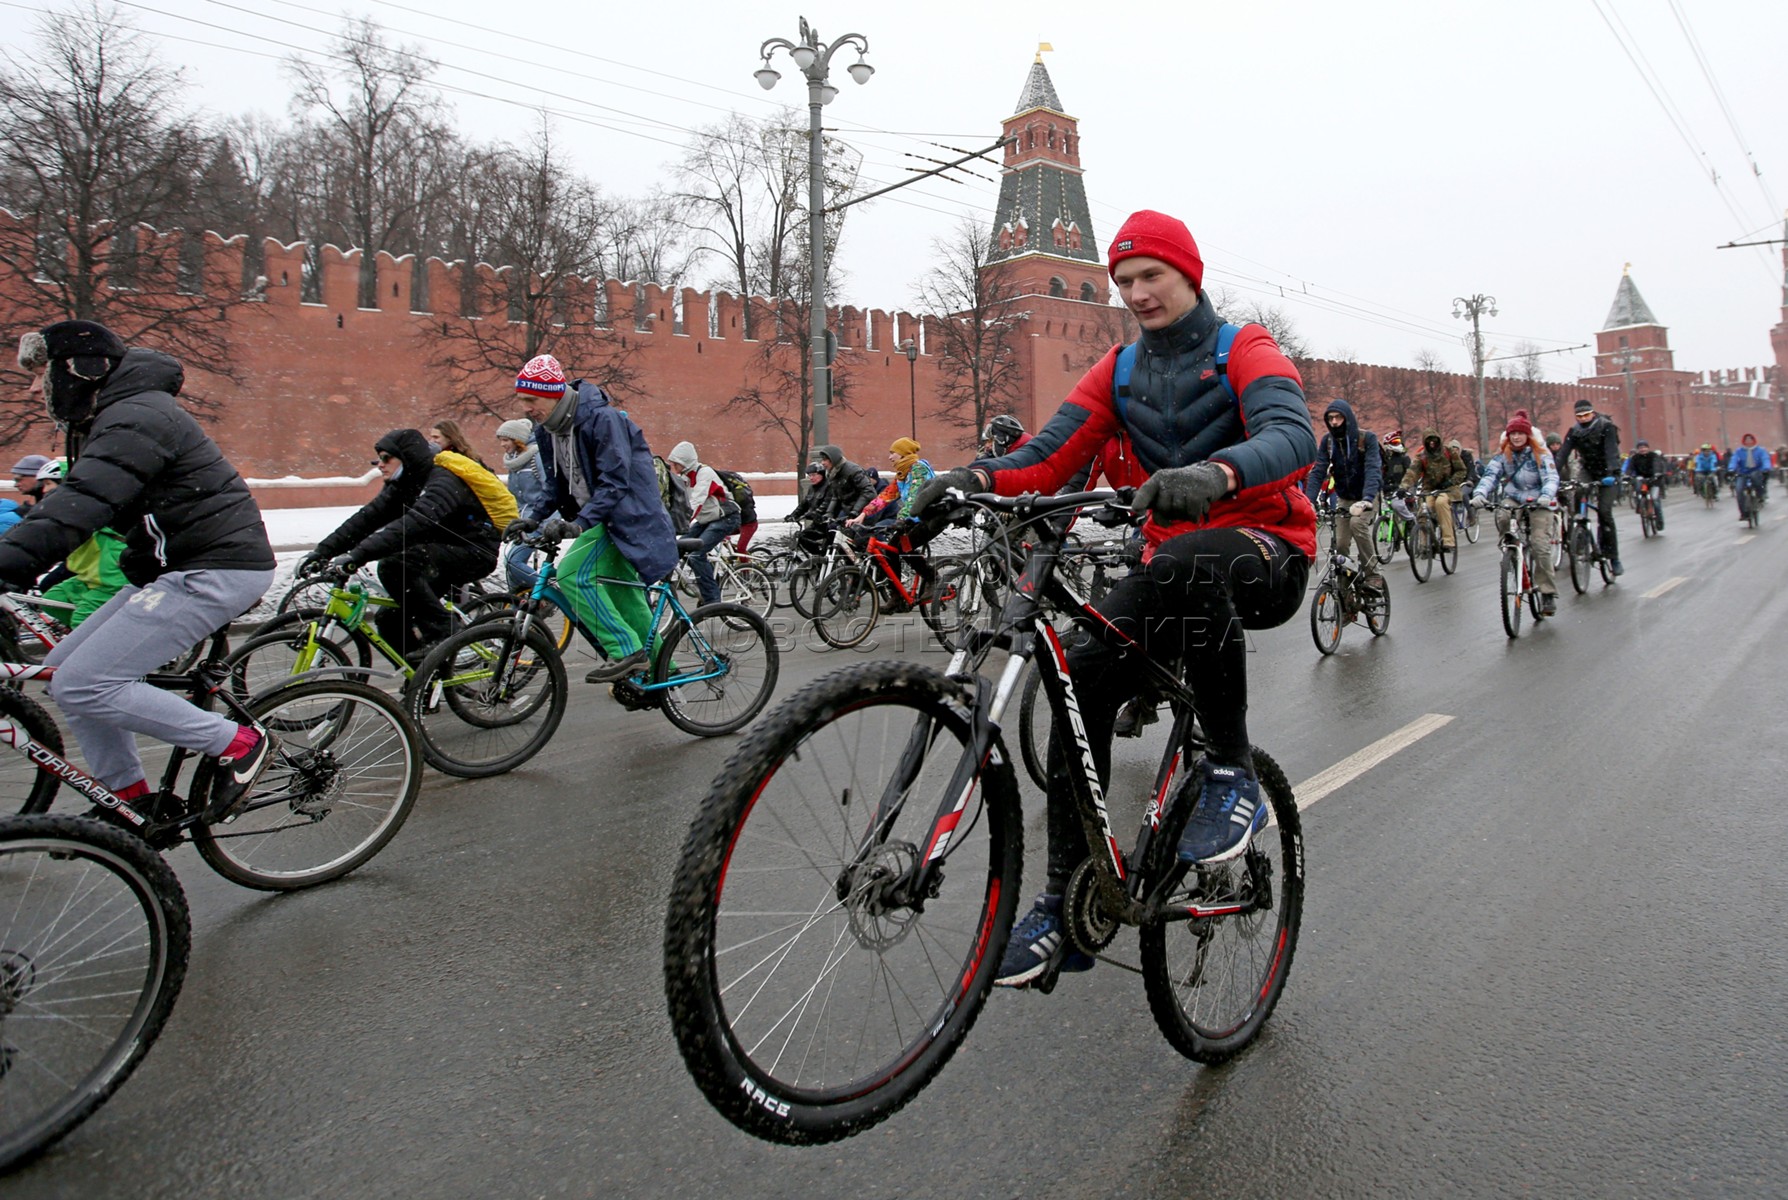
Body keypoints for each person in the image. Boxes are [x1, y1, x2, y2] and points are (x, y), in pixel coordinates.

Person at [913, 209, 1317, 989]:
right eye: (1124, 280)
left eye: (1150, 276)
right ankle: (1071, 900)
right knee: (1077, 673)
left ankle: (1231, 772)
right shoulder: (1121, 372)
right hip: (1174, 571)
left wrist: (1220, 474)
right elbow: (1047, 455)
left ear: (1187, 275)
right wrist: (970, 480)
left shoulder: (1246, 349)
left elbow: (1290, 433)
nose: (1136, 292)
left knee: (1192, 558)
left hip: (1266, 556)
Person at [0, 320, 277, 818]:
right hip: (177, 568)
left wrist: (9, 566)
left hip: (215, 567)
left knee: (83, 683)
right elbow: (83, 505)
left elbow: (84, 501)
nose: (34, 388)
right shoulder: (116, 414)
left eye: (40, 374)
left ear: (79, 370)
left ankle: (237, 743)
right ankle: (127, 800)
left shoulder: (137, 416)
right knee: (60, 672)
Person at [503, 354, 677, 684]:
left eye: (530, 399)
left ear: (553, 394)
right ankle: (661, 674)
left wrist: (580, 523)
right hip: (601, 519)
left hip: (628, 517)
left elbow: (615, 481)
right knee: (627, 600)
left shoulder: (602, 419)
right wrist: (532, 518)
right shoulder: (548, 430)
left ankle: (628, 651)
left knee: (571, 574)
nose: (525, 407)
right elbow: (555, 487)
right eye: (522, 400)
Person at [301, 429, 499, 660]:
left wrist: (358, 555)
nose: (380, 465)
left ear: (407, 457)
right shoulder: (404, 484)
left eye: (386, 458)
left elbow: (415, 523)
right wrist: (323, 551)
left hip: (474, 551)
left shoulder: (442, 480)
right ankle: (422, 679)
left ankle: (445, 631)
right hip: (436, 554)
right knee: (389, 619)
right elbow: (367, 519)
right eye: (378, 459)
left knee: (395, 564)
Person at [1469, 410, 1560, 614]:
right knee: (1502, 513)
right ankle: (1510, 546)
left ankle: (1547, 593)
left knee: (1540, 545)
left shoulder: (1541, 454)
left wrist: (1546, 495)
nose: (1516, 437)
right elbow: (1490, 475)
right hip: (1515, 496)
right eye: (1513, 434)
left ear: (1528, 435)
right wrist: (1480, 494)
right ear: (1508, 436)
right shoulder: (1503, 455)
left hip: (1539, 500)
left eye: (1520, 433)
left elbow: (1551, 477)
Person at [1307, 399, 1383, 584]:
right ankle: (1346, 584)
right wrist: (1308, 501)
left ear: (1347, 418)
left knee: (1357, 524)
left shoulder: (1367, 439)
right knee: (1340, 544)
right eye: (1330, 418)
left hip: (1367, 496)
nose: (1334, 422)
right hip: (1345, 499)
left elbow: (1373, 468)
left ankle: (1373, 573)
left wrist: (1366, 499)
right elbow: (1318, 471)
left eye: (1338, 417)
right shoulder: (1328, 442)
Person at [666, 441, 740, 607]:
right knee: (678, 546)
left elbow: (696, 502)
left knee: (696, 554)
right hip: (707, 519)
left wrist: (682, 524)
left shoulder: (704, 473)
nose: (672, 466)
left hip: (726, 517)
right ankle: (708, 580)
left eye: (674, 463)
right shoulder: (685, 478)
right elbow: (678, 504)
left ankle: (713, 601)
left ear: (684, 462)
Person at [1554, 397, 1623, 575]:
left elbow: (1611, 452)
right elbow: (1562, 454)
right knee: (1578, 494)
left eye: (1586, 415)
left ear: (1592, 413)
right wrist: (1552, 474)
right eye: (1580, 416)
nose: (1583, 418)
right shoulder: (1574, 432)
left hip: (1608, 472)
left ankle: (1613, 556)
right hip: (1588, 469)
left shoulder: (1606, 427)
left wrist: (1611, 474)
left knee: (1605, 512)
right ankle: (1580, 533)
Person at [497, 418, 544, 591]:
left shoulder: (536, 457)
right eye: (500, 440)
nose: (502, 444)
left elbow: (549, 489)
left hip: (539, 518)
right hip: (522, 520)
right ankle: (518, 608)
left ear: (517, 439)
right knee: (510, 565)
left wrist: (541, 517)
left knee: (513, 562)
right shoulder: (514, 461)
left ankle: (551, 593)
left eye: (506, 440)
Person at [1404, 430, 1467, 549]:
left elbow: (1461, 470)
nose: (1432, 443)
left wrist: (1451, 481)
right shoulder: (1422, 456)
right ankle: (1424, 543)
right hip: (1429, 489)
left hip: (1449, 489)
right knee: (1424, 509)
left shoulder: (1449, 452)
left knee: (1441, 503)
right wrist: (1404, 487)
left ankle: (1448, 540)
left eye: (1434, 440)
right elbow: (1412, 473)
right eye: (1429, 441)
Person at [813, 444, 880, 527]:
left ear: (833, 459)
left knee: (858, 537)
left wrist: (855, 511)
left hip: (863, 512)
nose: (822, 463)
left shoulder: (853, 470)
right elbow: (836, 495)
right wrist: (829, 513)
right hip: (847, 510)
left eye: (825, 460)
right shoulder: (831, 473)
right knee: (831, 528)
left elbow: (869, 492)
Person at [1624, 438, 1668, 530]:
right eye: (1640, 447)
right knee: (1638, 491)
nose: (1642, 449)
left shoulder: (1654, 456)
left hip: (1654, 480)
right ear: (1638, 449)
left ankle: (1659, 522)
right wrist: (1627, 475)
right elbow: (1630, 468)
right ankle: (1640, 505)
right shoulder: (1635, 458)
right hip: (1641, 478)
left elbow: (1657, 465)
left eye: (1644, 447)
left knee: (1655, 500)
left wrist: (1657, 474)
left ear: (1648, 448)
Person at [1727, 433, 1772, 519]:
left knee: (1757, 480)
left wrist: (1766, 468)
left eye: (1750, 439)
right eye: (1746, 440)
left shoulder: (1760, 450)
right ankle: (1744, 513)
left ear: (1753, 440)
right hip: (1743, 473)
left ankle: (1760, 496)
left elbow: (1765, 459)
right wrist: (1731, 469)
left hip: (1756, 471)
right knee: (1739, 490)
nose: (1748, 442)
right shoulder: (1739, 451)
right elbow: (1734, 460)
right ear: (1744, 441)